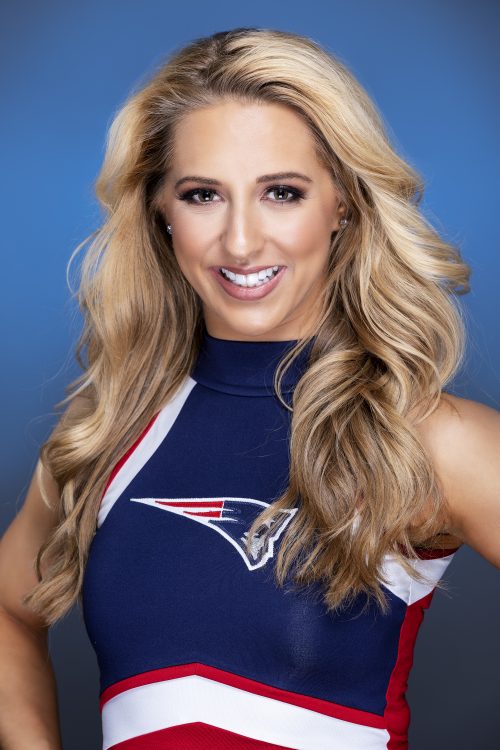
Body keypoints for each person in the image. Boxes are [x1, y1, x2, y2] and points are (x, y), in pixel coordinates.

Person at [0, 26, 499, 750]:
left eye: (282, 193)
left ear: (344, 203)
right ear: (160, 211)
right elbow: (9, 611)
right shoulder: (111, 429)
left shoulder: (428, 437)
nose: (240, 241)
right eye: (202, 194)